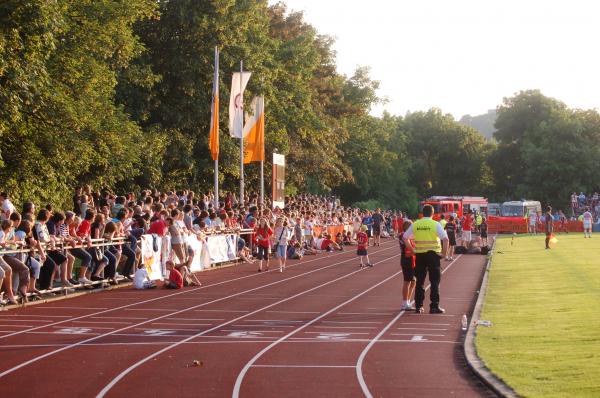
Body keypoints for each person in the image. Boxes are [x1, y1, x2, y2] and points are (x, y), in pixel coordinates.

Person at [403, 204, 449, 314]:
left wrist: (413, 250)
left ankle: (418, 306)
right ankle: (434, 306)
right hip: (433, 255)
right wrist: (444, 254)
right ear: (432, 214)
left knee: (420, 281)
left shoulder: (416, 224)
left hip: (419, 255)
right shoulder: (435, 224)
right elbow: (446, 239)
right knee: (434, 281)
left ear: (422, 213)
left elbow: (405, 237)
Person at [398, 220, 416, 311]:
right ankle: (404, 303)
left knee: (413, 281)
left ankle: (408, 301)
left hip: (412, 259)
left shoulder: (409, 236)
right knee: (407, 281)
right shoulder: (403, 235)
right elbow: (408, 249)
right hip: (407, 259)